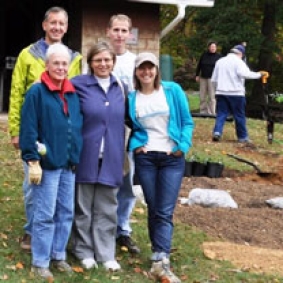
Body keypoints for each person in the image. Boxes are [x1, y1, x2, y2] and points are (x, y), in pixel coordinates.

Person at [8, 6, 82, 251]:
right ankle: (32, 231)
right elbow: (17, 92)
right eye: (53, 23)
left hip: (59, 134)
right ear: (44, 25)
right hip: (34, 130)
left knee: (59, 190)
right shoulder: (28, 55)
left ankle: (57, 240)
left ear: (66, 27)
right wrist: (16, 130)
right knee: (33, 186)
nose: (57, 27)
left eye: (62, 23)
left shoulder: (74, 59)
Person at [128, 52, 194, 283]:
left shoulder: (172, 91)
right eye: (141, 68)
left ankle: (161, 257)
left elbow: (187, 121)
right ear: (136, 72)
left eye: (151, 68)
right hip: (146, 158)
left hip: (171, 158)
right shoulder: (132, 98)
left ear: (157, 70)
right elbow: (131, 127)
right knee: (154, 206)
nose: (146, 72)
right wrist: (136, 146)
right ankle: (158, 253)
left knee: (165, 209)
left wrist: (182, 146)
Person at [19, 43, 83, 280]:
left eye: (64, 63)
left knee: (65, 211)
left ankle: (58, 255)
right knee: (45, 213)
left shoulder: (72, 92)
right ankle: (40, 261)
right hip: (46, 164)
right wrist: (32, 159)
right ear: (46, 65)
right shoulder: (37, 92)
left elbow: (75, 126)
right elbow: (28, 128)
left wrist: (75, 154)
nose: (60, 67)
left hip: (68, 164)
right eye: (55, 63)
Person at [71, 41, 126, 271]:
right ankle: (83, 250)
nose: (103, 64)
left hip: (112, 155)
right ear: (90, 63)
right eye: (98, 60)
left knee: (107, 206)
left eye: (107, 59)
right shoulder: (78, 85)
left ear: (113, 61)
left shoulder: (121, 87)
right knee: (83, 206)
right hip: (86, 154)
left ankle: (105, 253)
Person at [106, 14, 140, 254]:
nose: (119, 34)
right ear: (108, 31)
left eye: (123, 30)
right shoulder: (99, 58)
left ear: (129, 34)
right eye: (115, 29)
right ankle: (102, 225)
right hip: (103, 129)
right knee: (103, 179)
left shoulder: (135, 62)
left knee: (128, 181)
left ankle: (122, 228)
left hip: (129, 129)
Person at [211, 44, 269, 142]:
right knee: (239, 115)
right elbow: (245, 74)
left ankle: (217, 132)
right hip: (236, 93)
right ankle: (242, 137)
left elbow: (214, 79)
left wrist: (217, 90)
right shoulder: (239, 62)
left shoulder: (219, 62)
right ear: (240, 54)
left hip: (221, 92)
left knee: (221, 113)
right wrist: (259, 74)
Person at [195, 41, 222, 115]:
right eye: (211, 47)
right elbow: (199, 65)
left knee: (212, 96)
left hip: (213, 79)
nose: (213, 48)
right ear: (209, 47)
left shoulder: (219, 57)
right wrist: (197, 75)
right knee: (202, 95)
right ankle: (203, 111)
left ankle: (211, 112)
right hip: (203, 78)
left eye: (214, 47)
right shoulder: (204, 55)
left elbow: (222, 68)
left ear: (216, 48)